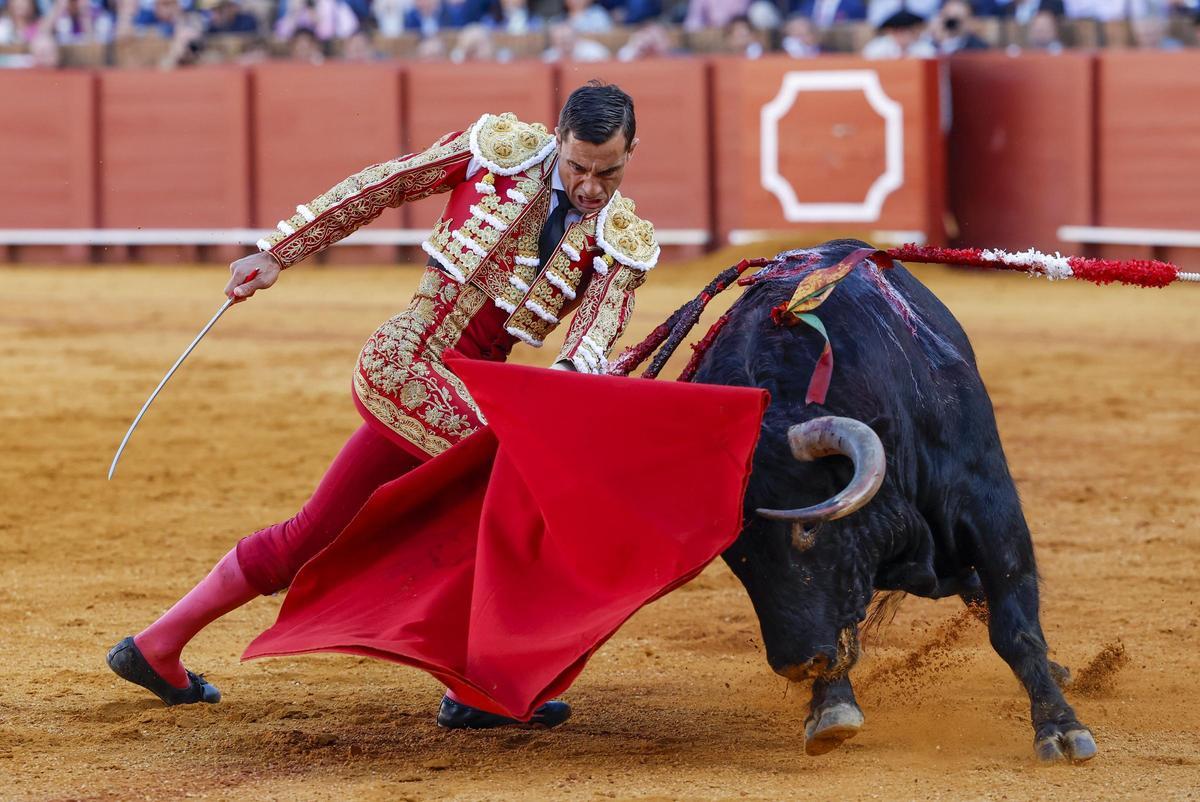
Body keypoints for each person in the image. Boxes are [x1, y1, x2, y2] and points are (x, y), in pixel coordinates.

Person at [107, 82, 659, 730]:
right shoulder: (498, 151)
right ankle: (479, 685)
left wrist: (562, 393)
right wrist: (279, 251)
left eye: (608, 171)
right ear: (558, 139)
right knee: (520, 497)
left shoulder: (622, 240)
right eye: (578, 168)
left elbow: (591, 341)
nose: (591, 186)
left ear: (632, 153)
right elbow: (382, 185)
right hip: (405, 362)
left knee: (310, 535)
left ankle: (157, 646)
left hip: (472, 394)